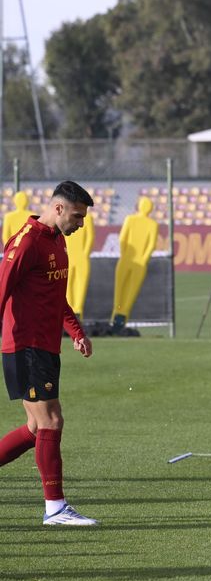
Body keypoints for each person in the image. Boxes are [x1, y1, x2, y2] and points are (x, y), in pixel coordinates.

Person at [0, 181, 96, 525]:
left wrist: (76, 332)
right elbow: (2, 287)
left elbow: (56, 295)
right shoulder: (26, 242)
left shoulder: (57, 241)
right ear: (58, 208)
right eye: (77, 216)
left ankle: (55, 507)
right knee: (51, 420)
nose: (81, 223)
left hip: (44, 347)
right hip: (25, 346)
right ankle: (55, 507)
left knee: (33, 428)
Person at [112, 196, 159, 331]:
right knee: (130, 291)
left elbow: (122, 239)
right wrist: (143, 259)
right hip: (139, 263)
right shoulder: (153, 224)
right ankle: (122, 315)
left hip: (126, 260)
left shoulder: (130, 219)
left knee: (120, 290)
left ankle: (117, 312)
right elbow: (151, 245)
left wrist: (125, 254)